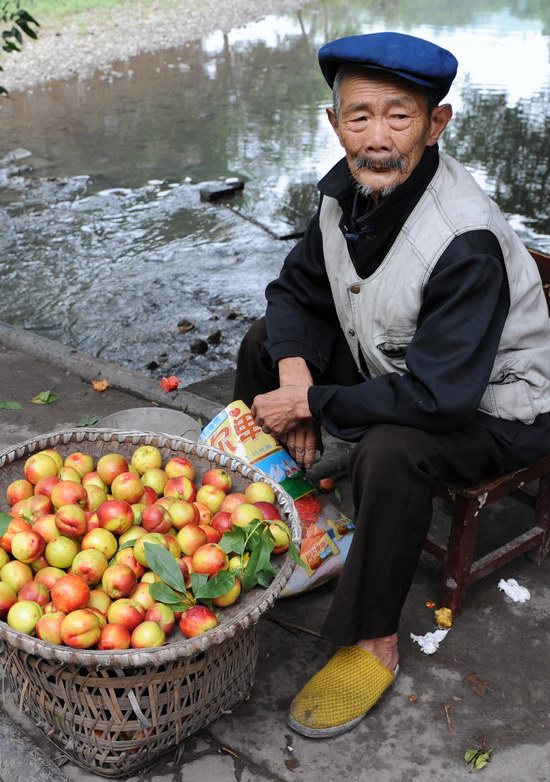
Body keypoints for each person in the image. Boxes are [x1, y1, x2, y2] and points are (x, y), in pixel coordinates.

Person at [233, 31, 550, 738]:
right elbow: (296, 290)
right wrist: (294, 376)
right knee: (264, 345)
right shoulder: (344, 193)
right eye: (359, 116)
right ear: (334, 122)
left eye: (399, 117)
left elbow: (441, 398)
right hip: (403, 364)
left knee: (392, 449)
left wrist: (314, 401)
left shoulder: (461, 236)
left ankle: (372, 637)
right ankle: (287, 518)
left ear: (437, 123)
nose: (377, 138)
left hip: (500, 402)